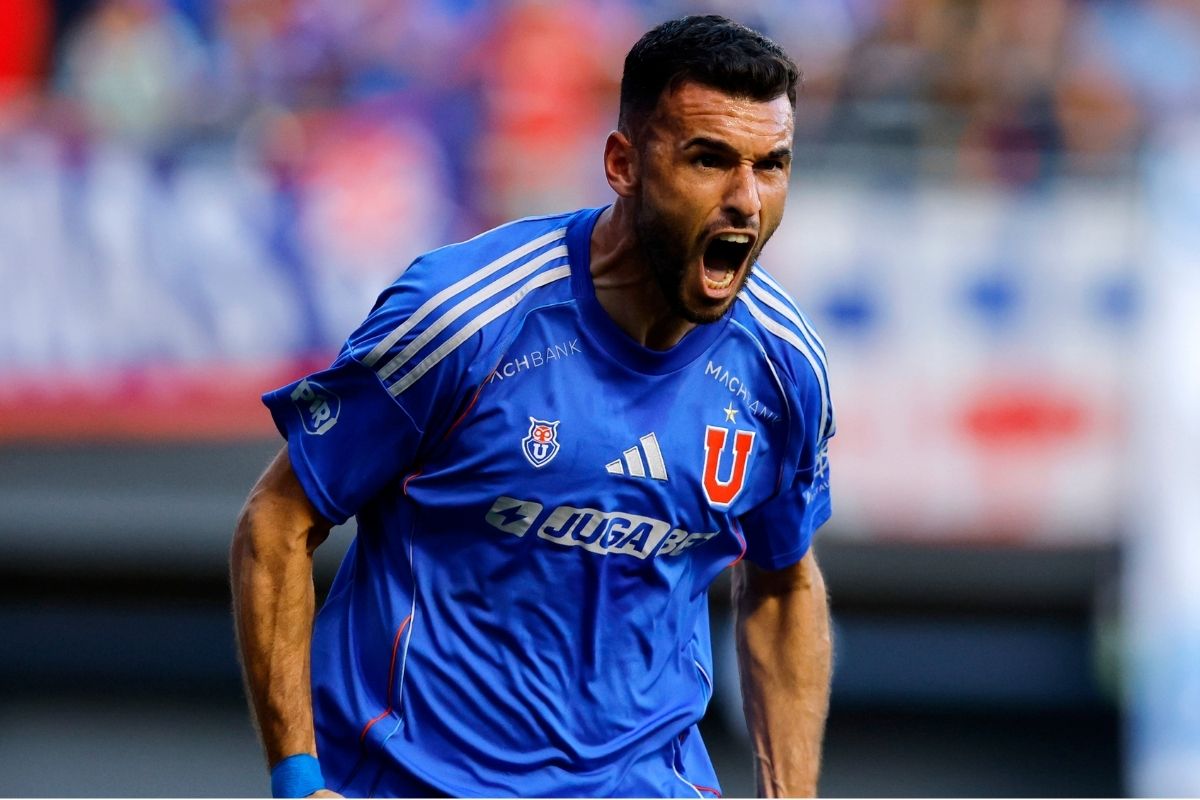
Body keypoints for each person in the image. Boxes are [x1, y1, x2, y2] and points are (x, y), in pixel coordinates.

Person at [231, 14, 835, 798]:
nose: (746, 201)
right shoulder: (463, 318)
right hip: (423, 780)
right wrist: (299, 780)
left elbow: (784, 584)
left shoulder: (784, 369)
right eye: (710, 160)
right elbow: (278, 523)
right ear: (623, 163)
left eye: (772, 165)